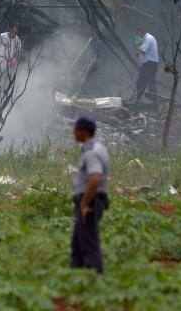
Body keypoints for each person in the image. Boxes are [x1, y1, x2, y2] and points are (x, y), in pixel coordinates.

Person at [70, 115, 110, 274]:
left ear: (83, 131)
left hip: (91, 201)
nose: (73, 133)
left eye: (76, 129)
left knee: (88, 242)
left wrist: (85, 203)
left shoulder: (92, 152)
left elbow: (94, 178)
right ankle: (76, 274)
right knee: (78, 243)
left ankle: (94, 277)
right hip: (91, 199)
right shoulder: (95, 148)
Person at [134, 27, 159, 100]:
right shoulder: (145, 39)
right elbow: (143, 52)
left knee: (147, 82)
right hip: (148, 64)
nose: (138, 36)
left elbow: (143, 51)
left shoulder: (148, 38)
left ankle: (153, 102)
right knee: (144, 82)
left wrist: (138, 43)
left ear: (142, 32)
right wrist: (138, 53)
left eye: (139, 34)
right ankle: (142, 100)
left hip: (149, 64)